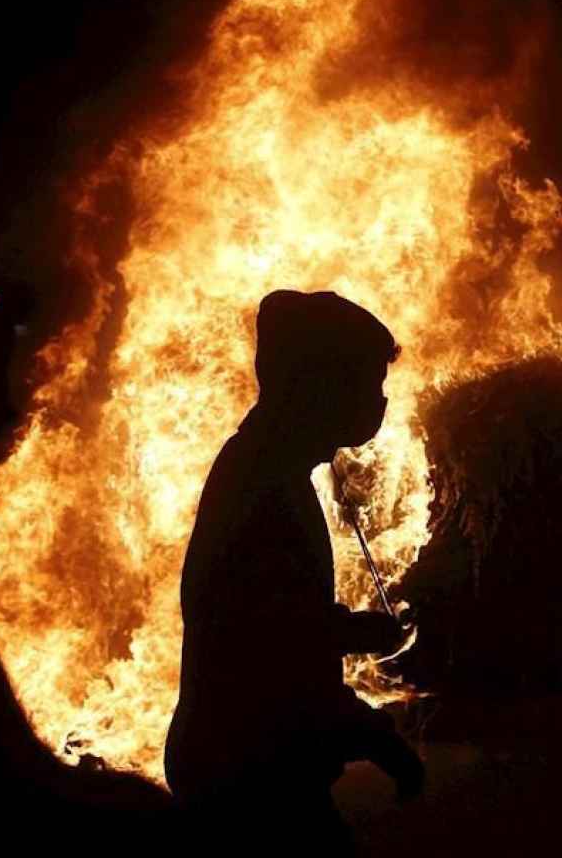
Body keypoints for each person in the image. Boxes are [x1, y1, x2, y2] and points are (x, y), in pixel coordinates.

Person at [165, 290, 424, 847]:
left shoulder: (267, 472)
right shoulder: (264, 489)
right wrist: (378, 737)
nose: (377, 404)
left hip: (243, 762)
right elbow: (273, 648)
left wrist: (353, 636)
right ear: (319, 387)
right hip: (249, 775)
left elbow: (281, 626)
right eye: (368, 385)